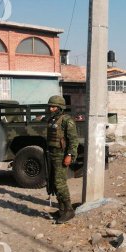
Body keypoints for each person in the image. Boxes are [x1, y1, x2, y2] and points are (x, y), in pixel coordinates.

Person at [46, 95, 78, 224]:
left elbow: (73, 140)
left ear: (60, 107)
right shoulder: (52, 120)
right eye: (50, 107)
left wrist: (69, 155)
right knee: (53, 182)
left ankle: (69, 210)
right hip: (52, 154)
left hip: (61, 155)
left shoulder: (67, 120)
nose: (51, 109)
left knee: (60, 183)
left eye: (54, 107)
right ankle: (61, 209)